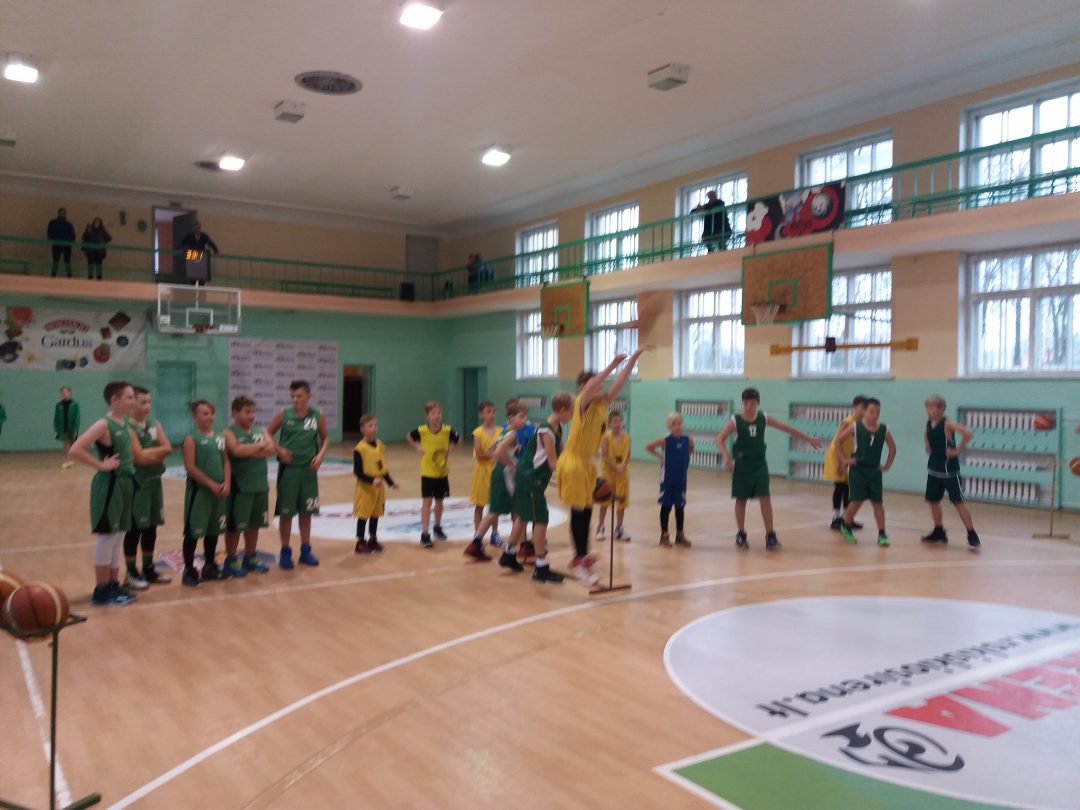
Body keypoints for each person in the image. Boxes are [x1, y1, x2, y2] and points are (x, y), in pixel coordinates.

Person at [557, 347, 648, 586]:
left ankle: (583, 555)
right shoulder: (581, 402)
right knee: (579, 511)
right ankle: (578, 560)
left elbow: (619, 382)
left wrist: (633, 360)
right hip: (573, 461)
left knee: (587, 511)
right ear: (582, 387)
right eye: (591, 383)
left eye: (596, 383)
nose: (596, 386)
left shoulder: (602, 403)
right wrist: (612, 363)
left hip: (587, 463)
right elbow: (594, 384)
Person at [716, 387, 823, 550]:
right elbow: (719, 439)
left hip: (759, 464)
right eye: (746, 403)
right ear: (743, 403)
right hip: (742, 465)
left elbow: (785, 427)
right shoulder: (735, 420)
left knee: (765, 498)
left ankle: (770, 535)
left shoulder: (763, 418)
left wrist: (807, 438)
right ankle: (741, 534)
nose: (749, 407)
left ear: (757, 404)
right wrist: (726, 456)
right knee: (741, 499)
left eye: (752, 404)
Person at [66, 381, 139, 606]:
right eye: (129, 397)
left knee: (118, 536)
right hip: (110, 485)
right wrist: (101, 465)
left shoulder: (124, 424)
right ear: (114, 399)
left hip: (125, 483)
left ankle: (113, 585)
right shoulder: (103, 424)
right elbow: (74, 450)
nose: (133, 401)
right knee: (107, 537)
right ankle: (101, 589)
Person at [507, 392, 574, 583]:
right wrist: (572, 476)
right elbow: (553, 463)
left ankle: (509, 554)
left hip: (529, 477)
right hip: (531, 478)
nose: (572, 415)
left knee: (523, 516)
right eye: (572, 411)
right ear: (562, 410)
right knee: (541, 519)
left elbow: (564, 453)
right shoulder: (546, 431)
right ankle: (541, 566)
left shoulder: (556, 428)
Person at [267, 380, 329, 569]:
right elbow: (267, 433)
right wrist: (279, 450)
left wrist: (320, 456)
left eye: (299, 396)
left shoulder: (318, 414)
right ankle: (285, 552)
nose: (295, 399)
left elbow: (325, 438)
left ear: (308, 396)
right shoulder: (283, 413)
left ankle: (305, 551)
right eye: (292, 396)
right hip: (289, 471)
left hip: (308, 471)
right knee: (286, 514)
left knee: (306, 513)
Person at [470, 402, 530, 567]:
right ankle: (520, 547)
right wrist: (512, 465)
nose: (525, 420)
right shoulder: (512, 433)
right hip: (504, 475)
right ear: (511, 418)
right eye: (521, 416)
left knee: (512, 511)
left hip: (501, 474)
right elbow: (496, 453)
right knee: (511, 511)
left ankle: (478, 543)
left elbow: (492, 450)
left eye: (525, 417)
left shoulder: (503, 431)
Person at [124, 386, 173, 589]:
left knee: (151, 527)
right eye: (143, 402)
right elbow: (139, 458)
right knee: (135, 528)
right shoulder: (127, 428)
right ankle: (130, 571)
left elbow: (168, 448)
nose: (147, 406)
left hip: (154, 482)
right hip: (138, 484)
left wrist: (149, 453)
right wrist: (156, 454)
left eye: (149, 402)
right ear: (132, 403)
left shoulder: (154, 424)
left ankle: (148, 567)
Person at [224, 396, 276, 576]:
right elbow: (236, 450)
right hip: (240, 486)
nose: (252, 415)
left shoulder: (261, 430)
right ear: (235, 413)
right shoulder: (228, 432)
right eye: (247, 412)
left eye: (253, 411)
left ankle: (250, 557)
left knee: (254, 524)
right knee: (236, 526)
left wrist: (248, 449)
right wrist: (260, 446)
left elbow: (271, 449)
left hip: (260, 485)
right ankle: (231, 560)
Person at [921, 395, 981, 549]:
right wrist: (927, 445)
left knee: (958, 502)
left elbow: (968, 433)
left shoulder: (947, 423)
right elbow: (926, 434)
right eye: (927, 407)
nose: (929, 410)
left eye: (932, 407)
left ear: (941, 409)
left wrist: (958, 450)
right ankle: (939, 531)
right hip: (934, 468)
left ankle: (972, 533)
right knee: (933, 500)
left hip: (949, 470)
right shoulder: (929, 422)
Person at [181, 400, 230, 586]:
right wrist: (210, 484)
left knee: (213, 531)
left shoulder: (219, 437)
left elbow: (226, 462)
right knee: (193, 532)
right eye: (204, 413)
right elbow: (190, 466)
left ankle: (210, 566)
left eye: (211, 413)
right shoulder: (191, 439)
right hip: (199, 493)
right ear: (195, 417)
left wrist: (226, 482)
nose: (209, 417)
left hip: (218, 492)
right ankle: (189, 570)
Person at [837, 398, 897, 547]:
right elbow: (838, 441)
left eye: (878, 412)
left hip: (874, 471)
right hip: (858, 470)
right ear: (864, 412)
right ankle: (846, 526)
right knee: (856, 501)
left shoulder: (884, 429)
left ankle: (882, 534)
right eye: (871, 412)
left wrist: (887, 466)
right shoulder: (855, 426)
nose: (875, 415)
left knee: (878, 503)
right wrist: (844, 460)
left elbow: (892, 448)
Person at [406, 401, 460, 548]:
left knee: (440, 501)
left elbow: (458, 439)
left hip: (442, 472)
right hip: (428, 472)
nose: (436, 416)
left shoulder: (447, 430)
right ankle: (425, 533)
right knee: (427, 502)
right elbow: (409, 437)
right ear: (427, 416)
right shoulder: (422, 430)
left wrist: (449, 451)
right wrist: (418, 447)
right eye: (433, 413)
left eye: (438, 413)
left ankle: (437, 527)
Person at [645, 412, 694, 547]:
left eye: (679, 423)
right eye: (674, 424)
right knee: (666, 506)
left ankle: (680, 535)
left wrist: (687, 455)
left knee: (680, 506)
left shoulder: (687, 439)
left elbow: (691, 448)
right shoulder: (665, 439)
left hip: (681, 478)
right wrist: (660, 457)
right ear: (669, 426)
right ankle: (664, 535)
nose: (677, 426)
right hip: (667, 478)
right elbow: (648, 447)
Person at [353, 413, 397, 554]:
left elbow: (382, 467)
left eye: (375, 425)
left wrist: (390, 482)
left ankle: (372, 539)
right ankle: (360, 542)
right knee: (363, 515)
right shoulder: (360, 449)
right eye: (370, 425)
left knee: (375, 514)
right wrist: (372, 480)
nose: (374, 428)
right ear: (362, 429)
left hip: (379, 488)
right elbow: (357, 472)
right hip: (365, 488)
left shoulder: (380, 445)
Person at [824, 396, 868, 531]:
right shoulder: (848, 422)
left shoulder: (862, 423)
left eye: (866, 409)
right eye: (862, 408)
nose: (864, 411)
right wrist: (840, 463)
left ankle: (847, 518)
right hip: (838, 457)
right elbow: (837, 442)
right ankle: (836, 518)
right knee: (839, 487)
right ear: (854, 407)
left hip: (848, 458)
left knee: (848, 489)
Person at [465, 401, 500, 558]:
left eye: (493, 411)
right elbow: (479, 454)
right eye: (488, 411)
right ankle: (477, 536)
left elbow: (504, 450)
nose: (492, 414)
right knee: (479, 506)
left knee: (495, 506)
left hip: (496, 471)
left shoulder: (500, 431)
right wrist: (494, 453)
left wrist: (495, 453)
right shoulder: (478, 432)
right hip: (482, 472)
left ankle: (495, 534)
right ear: (481, 414)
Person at [596, 411, 631, 541]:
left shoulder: (627, 438)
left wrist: (623, 466)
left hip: (622, 474)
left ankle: (619, 529)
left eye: (619, 420)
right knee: (604, 500)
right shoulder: (606, 437)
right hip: (609, 473)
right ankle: (600, 527)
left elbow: (628, 456)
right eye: (614, 421)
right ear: (610, 424)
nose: (618, 423)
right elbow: (605, 456)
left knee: (621, 502)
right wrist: (616, 467)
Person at [54, 386, 81, 469]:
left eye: (65, 392)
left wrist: (76, 428)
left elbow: (77, 417)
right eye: (62, 393)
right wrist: (56, 426)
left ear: (70, 393)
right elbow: (56, 416)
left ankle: (71, 460)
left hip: (72, 427)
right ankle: (67, 460)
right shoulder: (59, 405)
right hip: (63, 428)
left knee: (72, 444)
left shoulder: (75, 404)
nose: (63, 394)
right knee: (66, 444)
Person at [47, 207, 76, 277]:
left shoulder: (68, 224)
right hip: (57, 244)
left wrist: (70, 241)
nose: (63, 214)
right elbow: (50, 233)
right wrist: (54, 240)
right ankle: (53, 275)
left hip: (67, 245)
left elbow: (72, 234)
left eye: (64, 212)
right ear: (58, 213)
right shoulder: (53, 223)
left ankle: (69, 276)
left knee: (67, 261)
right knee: (56, 260)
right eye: (62, 212)